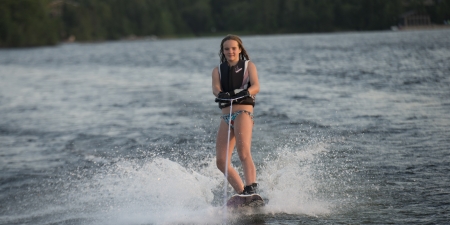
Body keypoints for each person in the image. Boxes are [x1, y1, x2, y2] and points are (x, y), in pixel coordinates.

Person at [212, 34, 260, 195]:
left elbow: (256, 86)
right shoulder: (217, 70)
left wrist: (245, 91)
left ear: (239, 49)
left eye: (233, 48)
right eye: (227, 49)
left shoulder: (248, 66)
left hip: (243, 112)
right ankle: (241, 193)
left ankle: (251, 187)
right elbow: (216, 89)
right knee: (221, 161)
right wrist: (222, 94)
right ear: (223, 51)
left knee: (243, 151)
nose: (230, 51)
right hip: (226, 117)